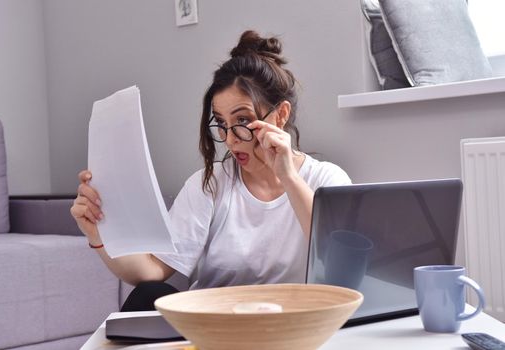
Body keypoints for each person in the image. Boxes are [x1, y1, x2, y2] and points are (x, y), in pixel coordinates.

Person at [70, 30, 351, 311]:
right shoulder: (210, 185)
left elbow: (341, 262)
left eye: (243, 120)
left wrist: (289, 177)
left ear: (280, 115)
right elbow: (151, 272)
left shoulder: (326, 179)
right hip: (212, 327)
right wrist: (98, 234)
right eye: (221, 123)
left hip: (291, 325)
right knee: (150, 294)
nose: (229, 139)